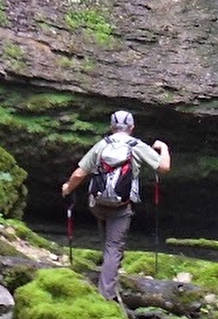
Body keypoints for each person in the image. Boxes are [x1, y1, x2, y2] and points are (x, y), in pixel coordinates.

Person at [59, 110, 171, 304]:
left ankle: (106, 262)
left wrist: (67, 188)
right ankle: (107, 295)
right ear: (132, 128)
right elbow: (164, 168)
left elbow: (79, 174)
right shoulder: (136, 146)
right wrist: (164, 147)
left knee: (106, 228)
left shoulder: (102, 145)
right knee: (114, 247)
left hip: (97, 204)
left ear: (111, 127)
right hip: (121, 206)